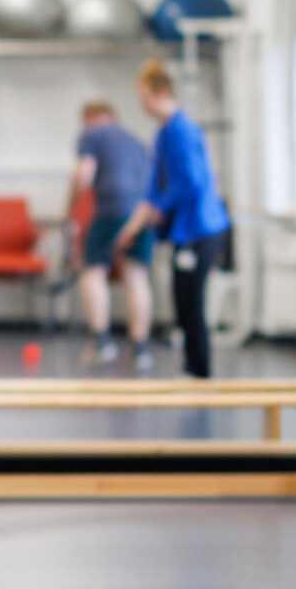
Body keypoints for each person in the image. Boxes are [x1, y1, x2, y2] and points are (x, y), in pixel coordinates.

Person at [113, 59, 231, 379]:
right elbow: (155, 187)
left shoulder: (183, 130)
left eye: (144, 96)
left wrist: (159, 208)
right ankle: (192, 366)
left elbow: (190, 182)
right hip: (184, 231)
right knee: (182, 301)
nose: (141, 103)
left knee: (191, 301)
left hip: (201, 229)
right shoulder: (164, 133)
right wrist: (134, 225)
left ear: (160, 92)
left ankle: (199, 370)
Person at [69, 99, 154, 371]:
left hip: (111, 209)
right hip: (142, 213)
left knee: (92, 271)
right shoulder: (136, 140)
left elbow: (84, 175)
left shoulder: (91, 134)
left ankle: (102, 341)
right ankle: (140, 348)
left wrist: (69, 206)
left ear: (92, 117)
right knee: (136, 275)